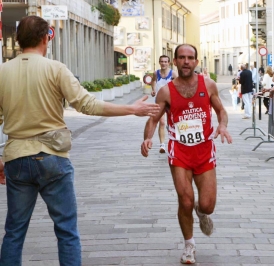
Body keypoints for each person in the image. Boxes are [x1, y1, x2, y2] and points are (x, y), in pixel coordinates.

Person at [0, 16, 160, 266]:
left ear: (18, 40)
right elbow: (88, 105)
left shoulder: (2, 72)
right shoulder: (55, 69)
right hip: (53, 156)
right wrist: (131, 110)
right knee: (66, 231)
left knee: (14, 233)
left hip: (16, 157)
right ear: (46, 38)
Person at [141, 44, 232, 264]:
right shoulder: (166, 91)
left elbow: (221, 110)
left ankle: (202, 214)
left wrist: (222, 125)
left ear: (196, 62)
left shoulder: (208, 85)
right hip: (179, 152)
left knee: (207, 205)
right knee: (186, 201)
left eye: (190, 58)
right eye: (181, 58)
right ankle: (189, 245)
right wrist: (148, 138)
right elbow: (154, 118)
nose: (186, 61)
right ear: (174, 62)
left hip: (204, 151)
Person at [151, 55, 178, 153]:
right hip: (159, 101)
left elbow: (179, 85)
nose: (163, 63)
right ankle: (162, 145)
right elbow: (153, 81)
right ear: (159, 62)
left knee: (173, 123)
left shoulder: (173, 74)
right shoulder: (156, 73)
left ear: (169, 63)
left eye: (165, 61)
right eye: (162, 61)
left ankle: (174, 140)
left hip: (171, 102)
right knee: (162, 122)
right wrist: (153, 90)